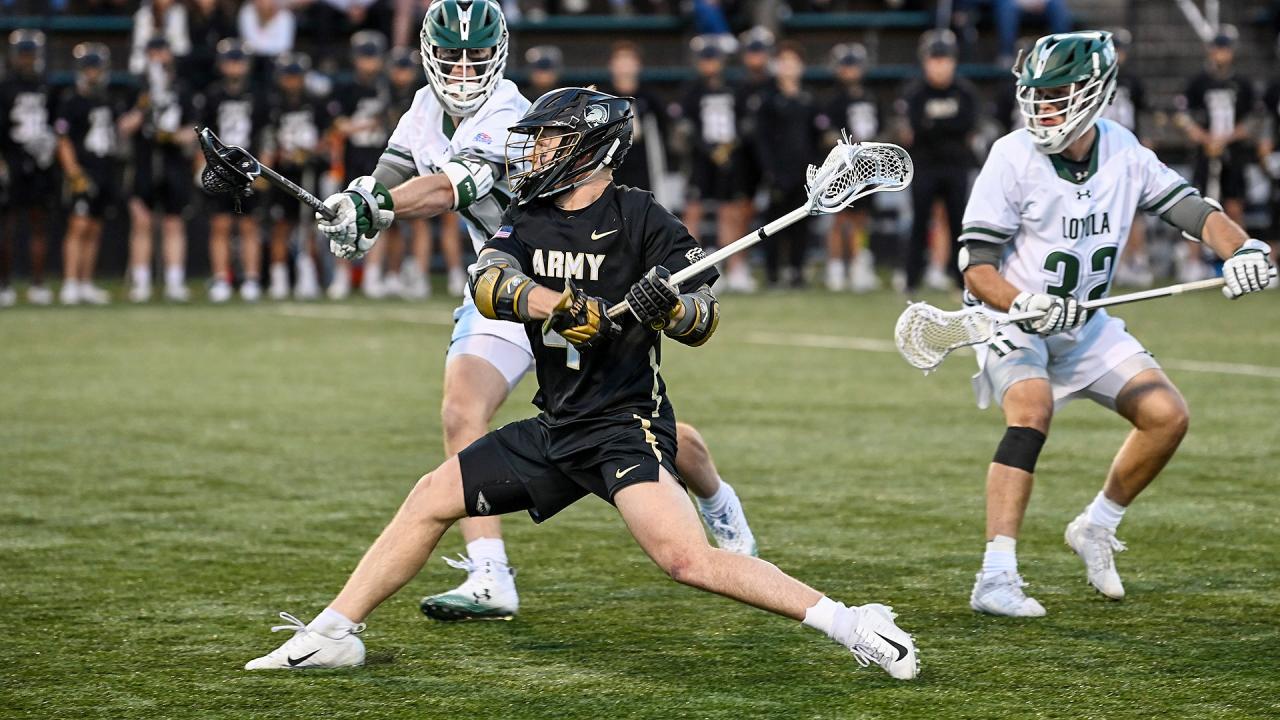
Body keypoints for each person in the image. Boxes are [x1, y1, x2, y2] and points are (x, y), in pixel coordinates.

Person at [245, 86, 919, 680]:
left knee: (687, 561)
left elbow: (705, 319)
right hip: (555, 426)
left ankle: (853, 622)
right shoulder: (532, 217)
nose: (534, 151)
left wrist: (672, 308)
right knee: (430, 497)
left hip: (623, 427)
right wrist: (556, 305)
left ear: (589, 147)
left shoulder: (643, 217)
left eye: (548, 139)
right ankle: (333, 632)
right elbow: (488, 282)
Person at [315, 0, 757, 623]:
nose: (464, 71)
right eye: (452, 57)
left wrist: (377, 207)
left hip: (572, 276)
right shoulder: (421, 109)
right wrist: (351, 207)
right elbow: (388, 177)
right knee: (461, 411)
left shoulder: (511, 114)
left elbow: (448, 187)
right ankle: (491, 576)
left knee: (629, 423)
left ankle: (715, 499)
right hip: (504, 284)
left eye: (476, 57)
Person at [956, 31, 1273, 618]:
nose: (1042, 108)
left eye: (1056, 94)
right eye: (1036, 94)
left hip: (1086, 321)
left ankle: (1096, 526)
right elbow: (976, 267)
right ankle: (995, 576)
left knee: (1167, 416)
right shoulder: (1012, 154)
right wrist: (1023, 303)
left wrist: (1244, 249)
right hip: (1015, 319)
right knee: (1031, 410)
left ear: (1094, 93)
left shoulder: (1124, 150)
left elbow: (1195, 212)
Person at [898, 29, 977, 295]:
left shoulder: (965, 92)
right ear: (925, 61)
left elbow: (966, 125)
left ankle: (961, 280)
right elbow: (914, 129)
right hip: (925, 166)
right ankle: (911, 279)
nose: (940, 65)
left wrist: (934, 126)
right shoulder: (914, 93)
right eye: (935, 59)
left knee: (958, 224)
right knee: (919, 222)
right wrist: (942, 127)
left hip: (955, 166)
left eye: (945, 59)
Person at [674, 35, 755, 293]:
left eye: (714, 58)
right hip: (700, 159)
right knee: (693, 210)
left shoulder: (735, 87)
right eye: (705, 59)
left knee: (730, 211)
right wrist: (707, 149)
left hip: (730, 157)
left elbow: (746, 123)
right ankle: (691, 269)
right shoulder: (691, 90)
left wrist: (729, 148)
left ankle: (733, 267)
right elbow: (684, 127)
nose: (710, 64)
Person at [1175, 25, 1254, 282]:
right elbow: (1182, 116)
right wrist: (1203, 137)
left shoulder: (1242, 83)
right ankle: (1194, 262)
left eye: (1225, 49)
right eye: (1218, 49)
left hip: (1233, 153)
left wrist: (1227, 138)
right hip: (1204, 152)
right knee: (1197, 205)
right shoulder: (1198, 82)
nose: (1221, 54)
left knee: (1234, 205)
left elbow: (1254, 119)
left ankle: (1241, 259)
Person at [54, 43, 126, 305]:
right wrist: (74, 172)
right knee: (78, 225)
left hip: (105, 168)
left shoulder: (109, 100)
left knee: (95, 227)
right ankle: (70, 282)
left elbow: (121, 130)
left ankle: (85, 282)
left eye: (96, 68)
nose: (92, 73)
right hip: (83, 168)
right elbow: (62, 139)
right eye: (88, 68)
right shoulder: (71, 100)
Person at [127, 36, 194, 303]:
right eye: (153, 52)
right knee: (142, 222)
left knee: (173, 222)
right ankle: (141, 282)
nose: (158, 57)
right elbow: (123, 126)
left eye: (162, 51)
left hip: (173, 161)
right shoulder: (138, 87)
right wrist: (143, 109)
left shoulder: (181, 88)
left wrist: (174, 136)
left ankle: (174, 282)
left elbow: (194, 129)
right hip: (144, 159)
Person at [327, 30, 392, 300]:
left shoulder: (388, 88)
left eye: (372, 57)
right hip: (352, 159)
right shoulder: (345, 89)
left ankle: (373, 275)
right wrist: (369, 123)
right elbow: (338, 126)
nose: (368, 63)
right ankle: (342, 275)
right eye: (364, 57)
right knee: (343, 217)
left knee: (381, 217)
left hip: (381, 159)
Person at [199, 38, 265, 303]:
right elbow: (203, 136)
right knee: (220, 224)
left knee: (250, 225)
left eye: (238, 61)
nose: (235, 67)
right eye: (230, 61)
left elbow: (265, 134)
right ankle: (221, 278)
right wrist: (202, 165)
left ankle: (251, 278)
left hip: (248, 166)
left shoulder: (258, 95)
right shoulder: (212, 95)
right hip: (221, 166)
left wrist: (262, 169)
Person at [263, 52, 328, 301]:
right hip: (282, 173)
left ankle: (307, 276)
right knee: (281, 226)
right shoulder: (274, 105)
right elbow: (268, 139)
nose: (292, 81)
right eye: (288, 76)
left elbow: (328, 135)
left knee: (309, 226)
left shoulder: (315, 103)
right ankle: (279, 278)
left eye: (296, 76)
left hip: (308, 171)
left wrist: (311, 151)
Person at [754, 41, 819, 288]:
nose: (789, 67)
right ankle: (772, 273)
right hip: (777, 172)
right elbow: (761, 139)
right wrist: (769, 170)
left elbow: (816, 137)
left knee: (802, 223)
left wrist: (816, 167)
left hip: (804, 172)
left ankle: (797, 271)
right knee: (773, 224)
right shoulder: (768, 100)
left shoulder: (808, 100)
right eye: (784, 62)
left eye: (793, 62)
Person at [818, 42, 881, 293]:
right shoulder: (833, 100)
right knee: (838, 217)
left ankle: (858, 263)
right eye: (845, 66)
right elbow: (826, 133)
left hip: (867, 166)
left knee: (862, 219)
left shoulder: (870, 97)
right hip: (841, 167)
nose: (850, 71)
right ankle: (835, 267)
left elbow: (881, 129)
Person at [0, 30, 57, 306]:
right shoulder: (5, 87)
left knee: (39, 223)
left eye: (29, 54)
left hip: (40, 161)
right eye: (22, 54)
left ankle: (38, 283)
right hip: (12, 159)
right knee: (6, 225)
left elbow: (57, 124)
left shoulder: (45, 85)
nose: (26, 59)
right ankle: (4, 284)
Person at [1101, 29, 1153, 288]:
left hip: (1128, 148)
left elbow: (1145, 114)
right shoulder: (1096, 77)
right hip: (1102, 149)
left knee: (1134, 209)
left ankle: (1138, 259)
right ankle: (1114, 264)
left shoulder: (1133, 80)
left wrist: (1145, 145)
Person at [601, 41, 668, 196]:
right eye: (620, 60)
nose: (624, 66)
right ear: (611, 65)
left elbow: (663, 131)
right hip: (612, 164)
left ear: (638, 65)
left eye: (629, 60)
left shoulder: (650, 98)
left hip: (643, 164)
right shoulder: (603, 99)